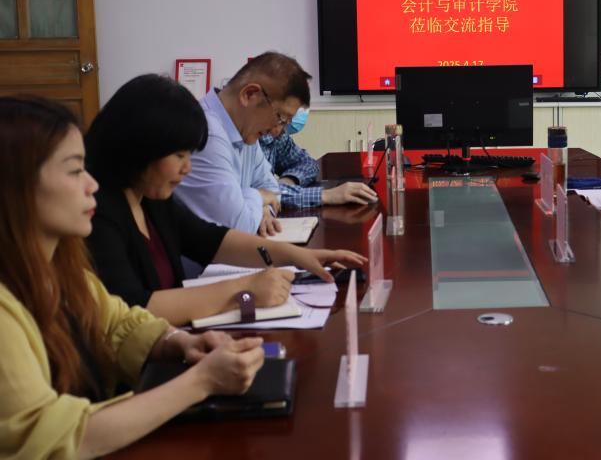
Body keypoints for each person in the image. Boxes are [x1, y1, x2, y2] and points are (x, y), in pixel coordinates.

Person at [0, 96, 266, 458]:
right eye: (75, 171)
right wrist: (202, 381)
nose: (91, 184)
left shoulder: (61, 269)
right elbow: (52, 437)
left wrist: (178, 342)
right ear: (14, 185)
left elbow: (117, 323)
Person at [85, 74, 366, 326]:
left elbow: (211, 239)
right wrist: (244, 290)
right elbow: (132, 308)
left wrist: (297, 256)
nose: (187, 168)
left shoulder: (150, 199)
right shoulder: (97, 214)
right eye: (179, 156)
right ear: (141, 147)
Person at [173, 52, 309, 236]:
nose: (276, 131)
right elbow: (239, 228)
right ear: (249, 94)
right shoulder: (207, 134)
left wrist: (263, 209)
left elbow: (272, 189)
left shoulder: (245, 131)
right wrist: (258, 196)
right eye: (280, 117)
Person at [259, 109, 377, 208]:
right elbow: (262, 195)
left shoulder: (277, 135)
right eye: (284, 119)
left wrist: (290, 180)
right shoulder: (252, 142)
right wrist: (326, 195)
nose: (288, 122)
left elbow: (307, 163)